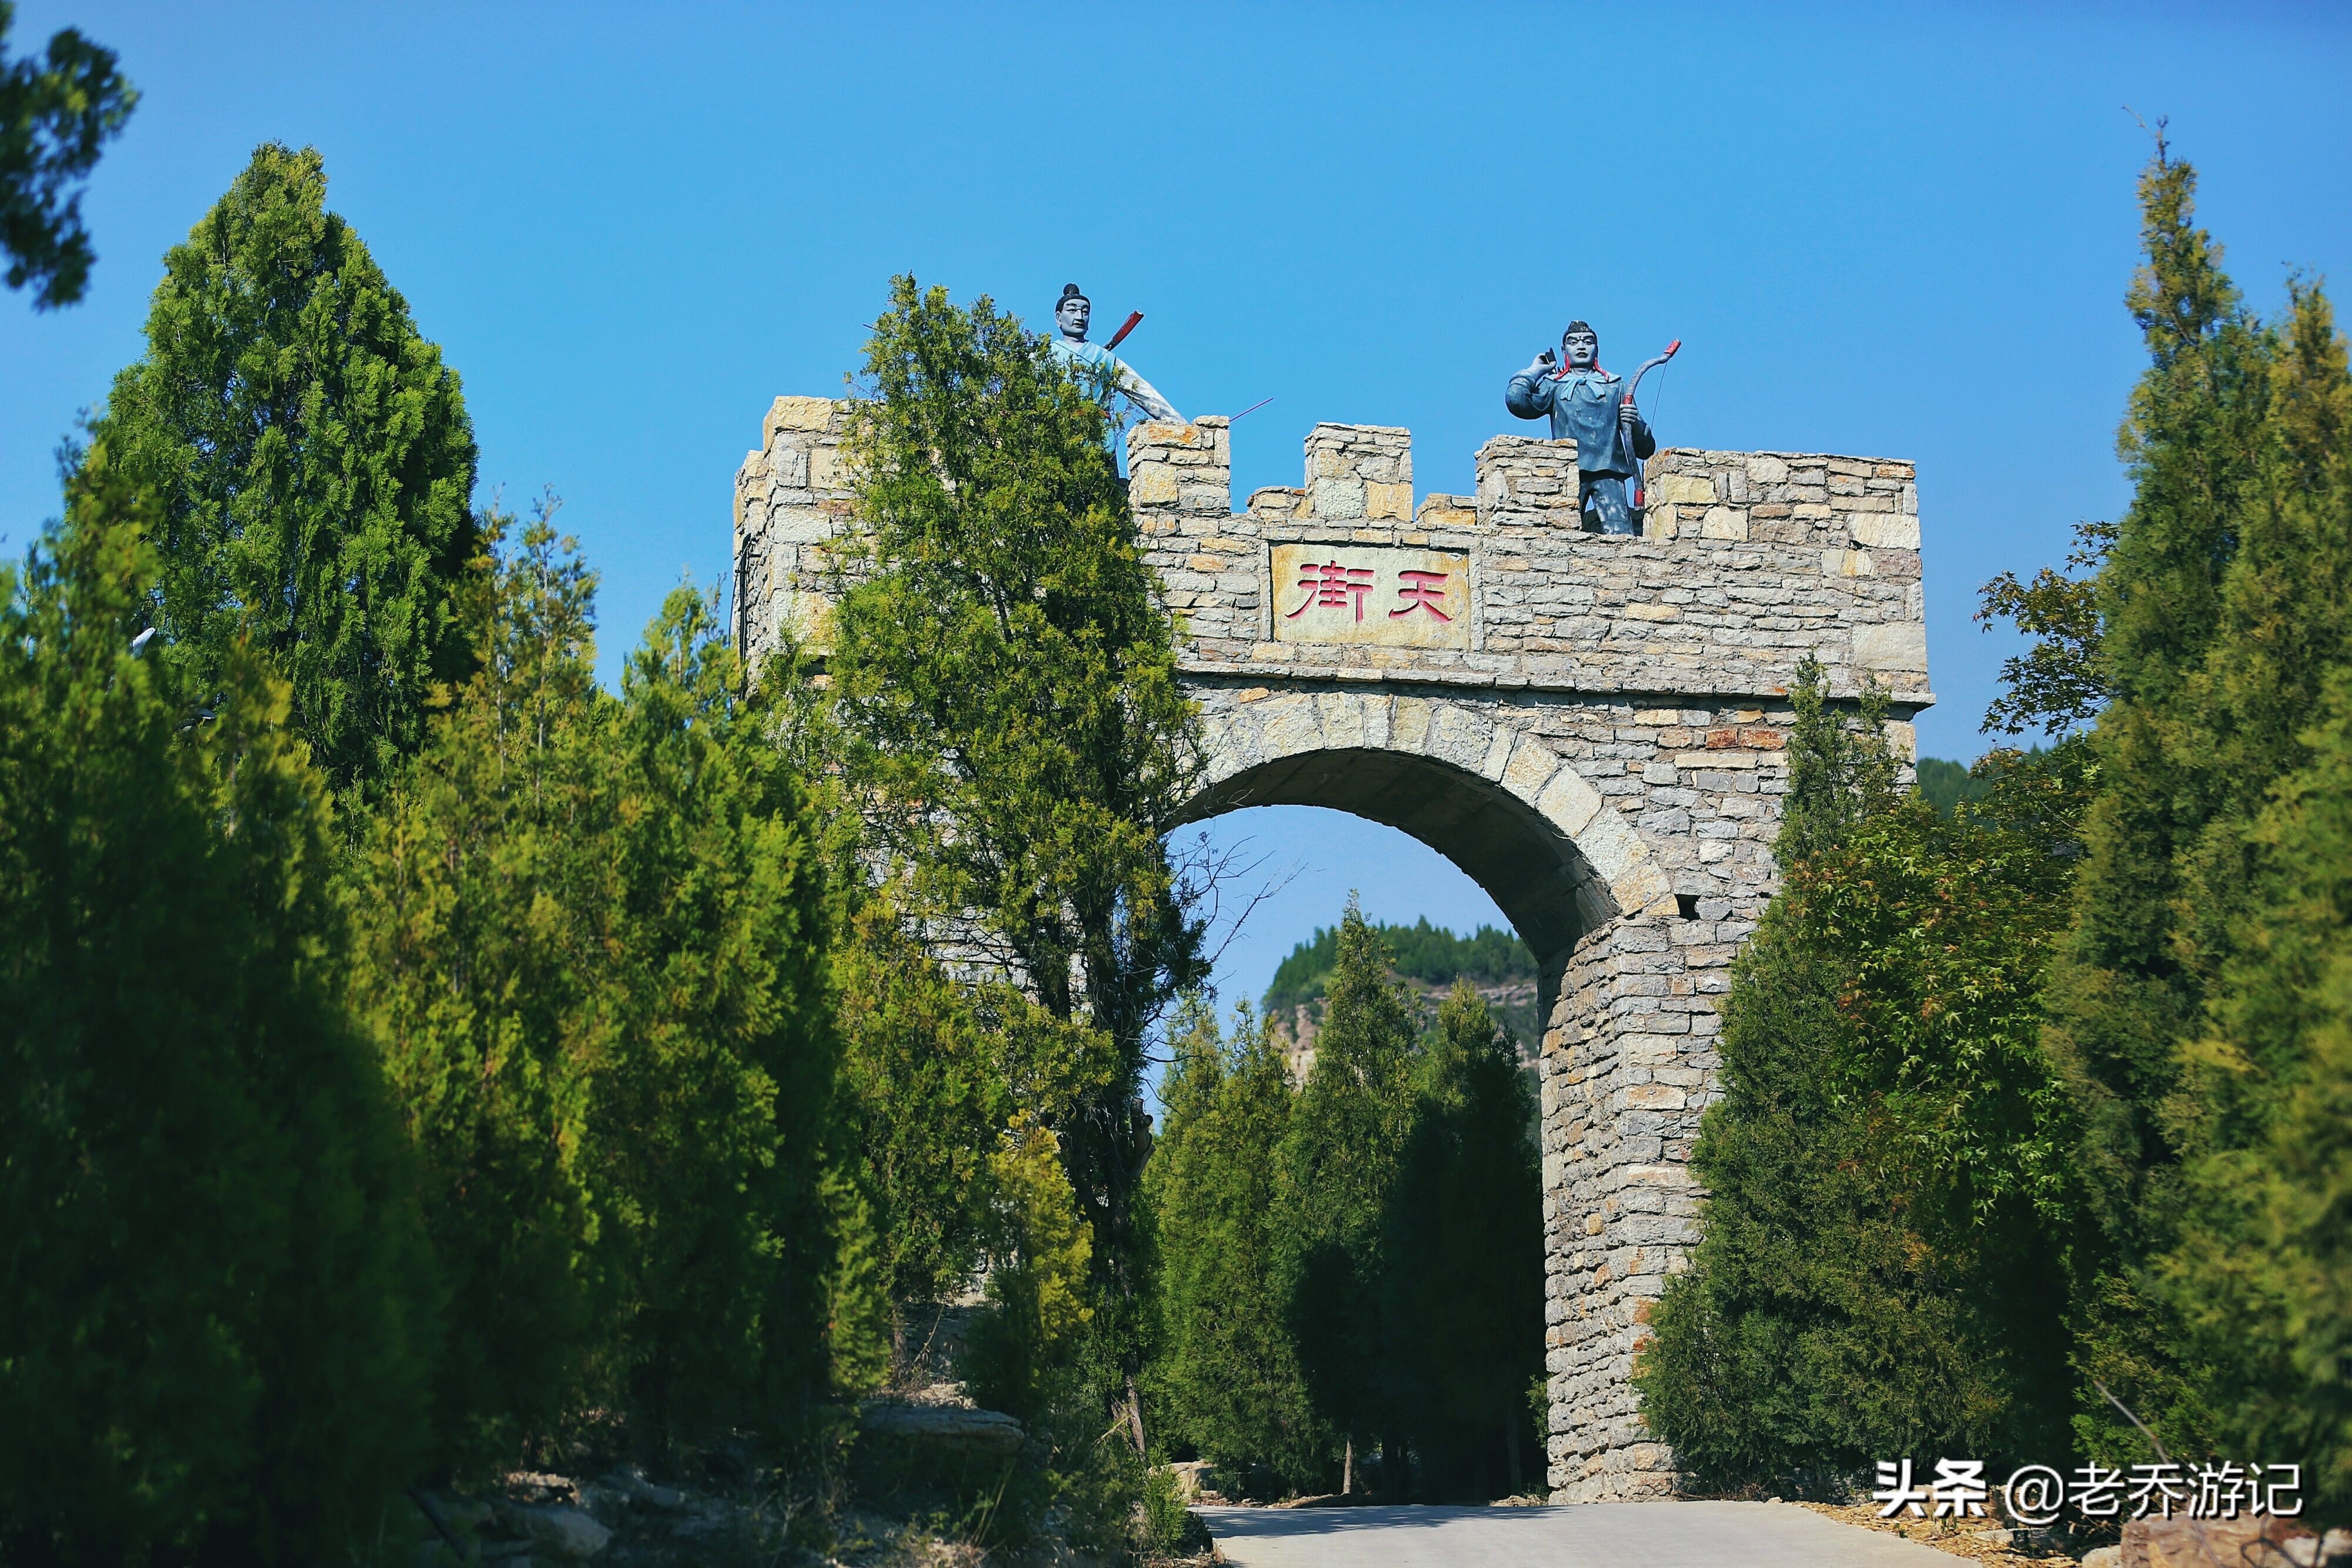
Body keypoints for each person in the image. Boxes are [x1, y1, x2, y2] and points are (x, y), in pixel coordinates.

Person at [1505, 320, 1655, 534]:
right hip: (1568, 471)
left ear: (1597, 349)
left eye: (1588, 341)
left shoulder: (1616, 386)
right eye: (1573, 342)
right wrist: (1534, 371)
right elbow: (1516, 400)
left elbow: (1644, 448)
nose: (1581, 346)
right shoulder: (1554, 385)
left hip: (1609, 471)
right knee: (1561, 534)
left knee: (1622, 537)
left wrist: (1635, 424)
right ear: (1564, 351)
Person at [1046, 283, 1183, 425]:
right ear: (1058, 318)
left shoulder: (1103, 357)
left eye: (1085, 312)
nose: (1080, 317)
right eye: (1072, 311)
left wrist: (1177, 422)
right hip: (1056, 427)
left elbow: (1142, 392)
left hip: (1098, 429)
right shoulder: (1047, 355)